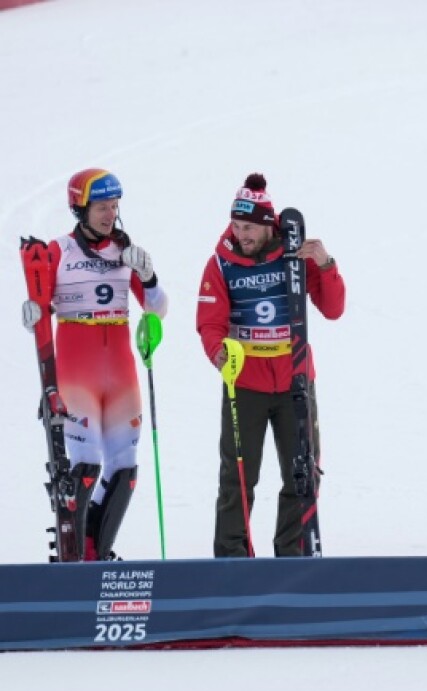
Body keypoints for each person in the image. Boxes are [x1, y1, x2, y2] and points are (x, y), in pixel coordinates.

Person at [18, 168, 169, 561]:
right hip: (77, 368)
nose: (110, 214)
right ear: (80, 208)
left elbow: (157, 310)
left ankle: (96, 552)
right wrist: (32, 312)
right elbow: (40, 307)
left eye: (114, 206)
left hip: (120, 369)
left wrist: (148, 277)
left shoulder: (126, 251)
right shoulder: (60, 250)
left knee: (125, 469)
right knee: (85, 465)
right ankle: (72, 550)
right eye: (101, 207)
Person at [195, 173, 346, 557]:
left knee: (303, 472)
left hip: (295, 378)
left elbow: (333, 309)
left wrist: (325, 264)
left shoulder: (294, 255)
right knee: (238, 477)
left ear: (267, 225)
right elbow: (209, 322)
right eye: (236, 226)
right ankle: (232, 558)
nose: (241, 235)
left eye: (248, 227)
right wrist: (218, 353)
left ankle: (291, 555)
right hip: (245, 383)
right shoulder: (221, 263)